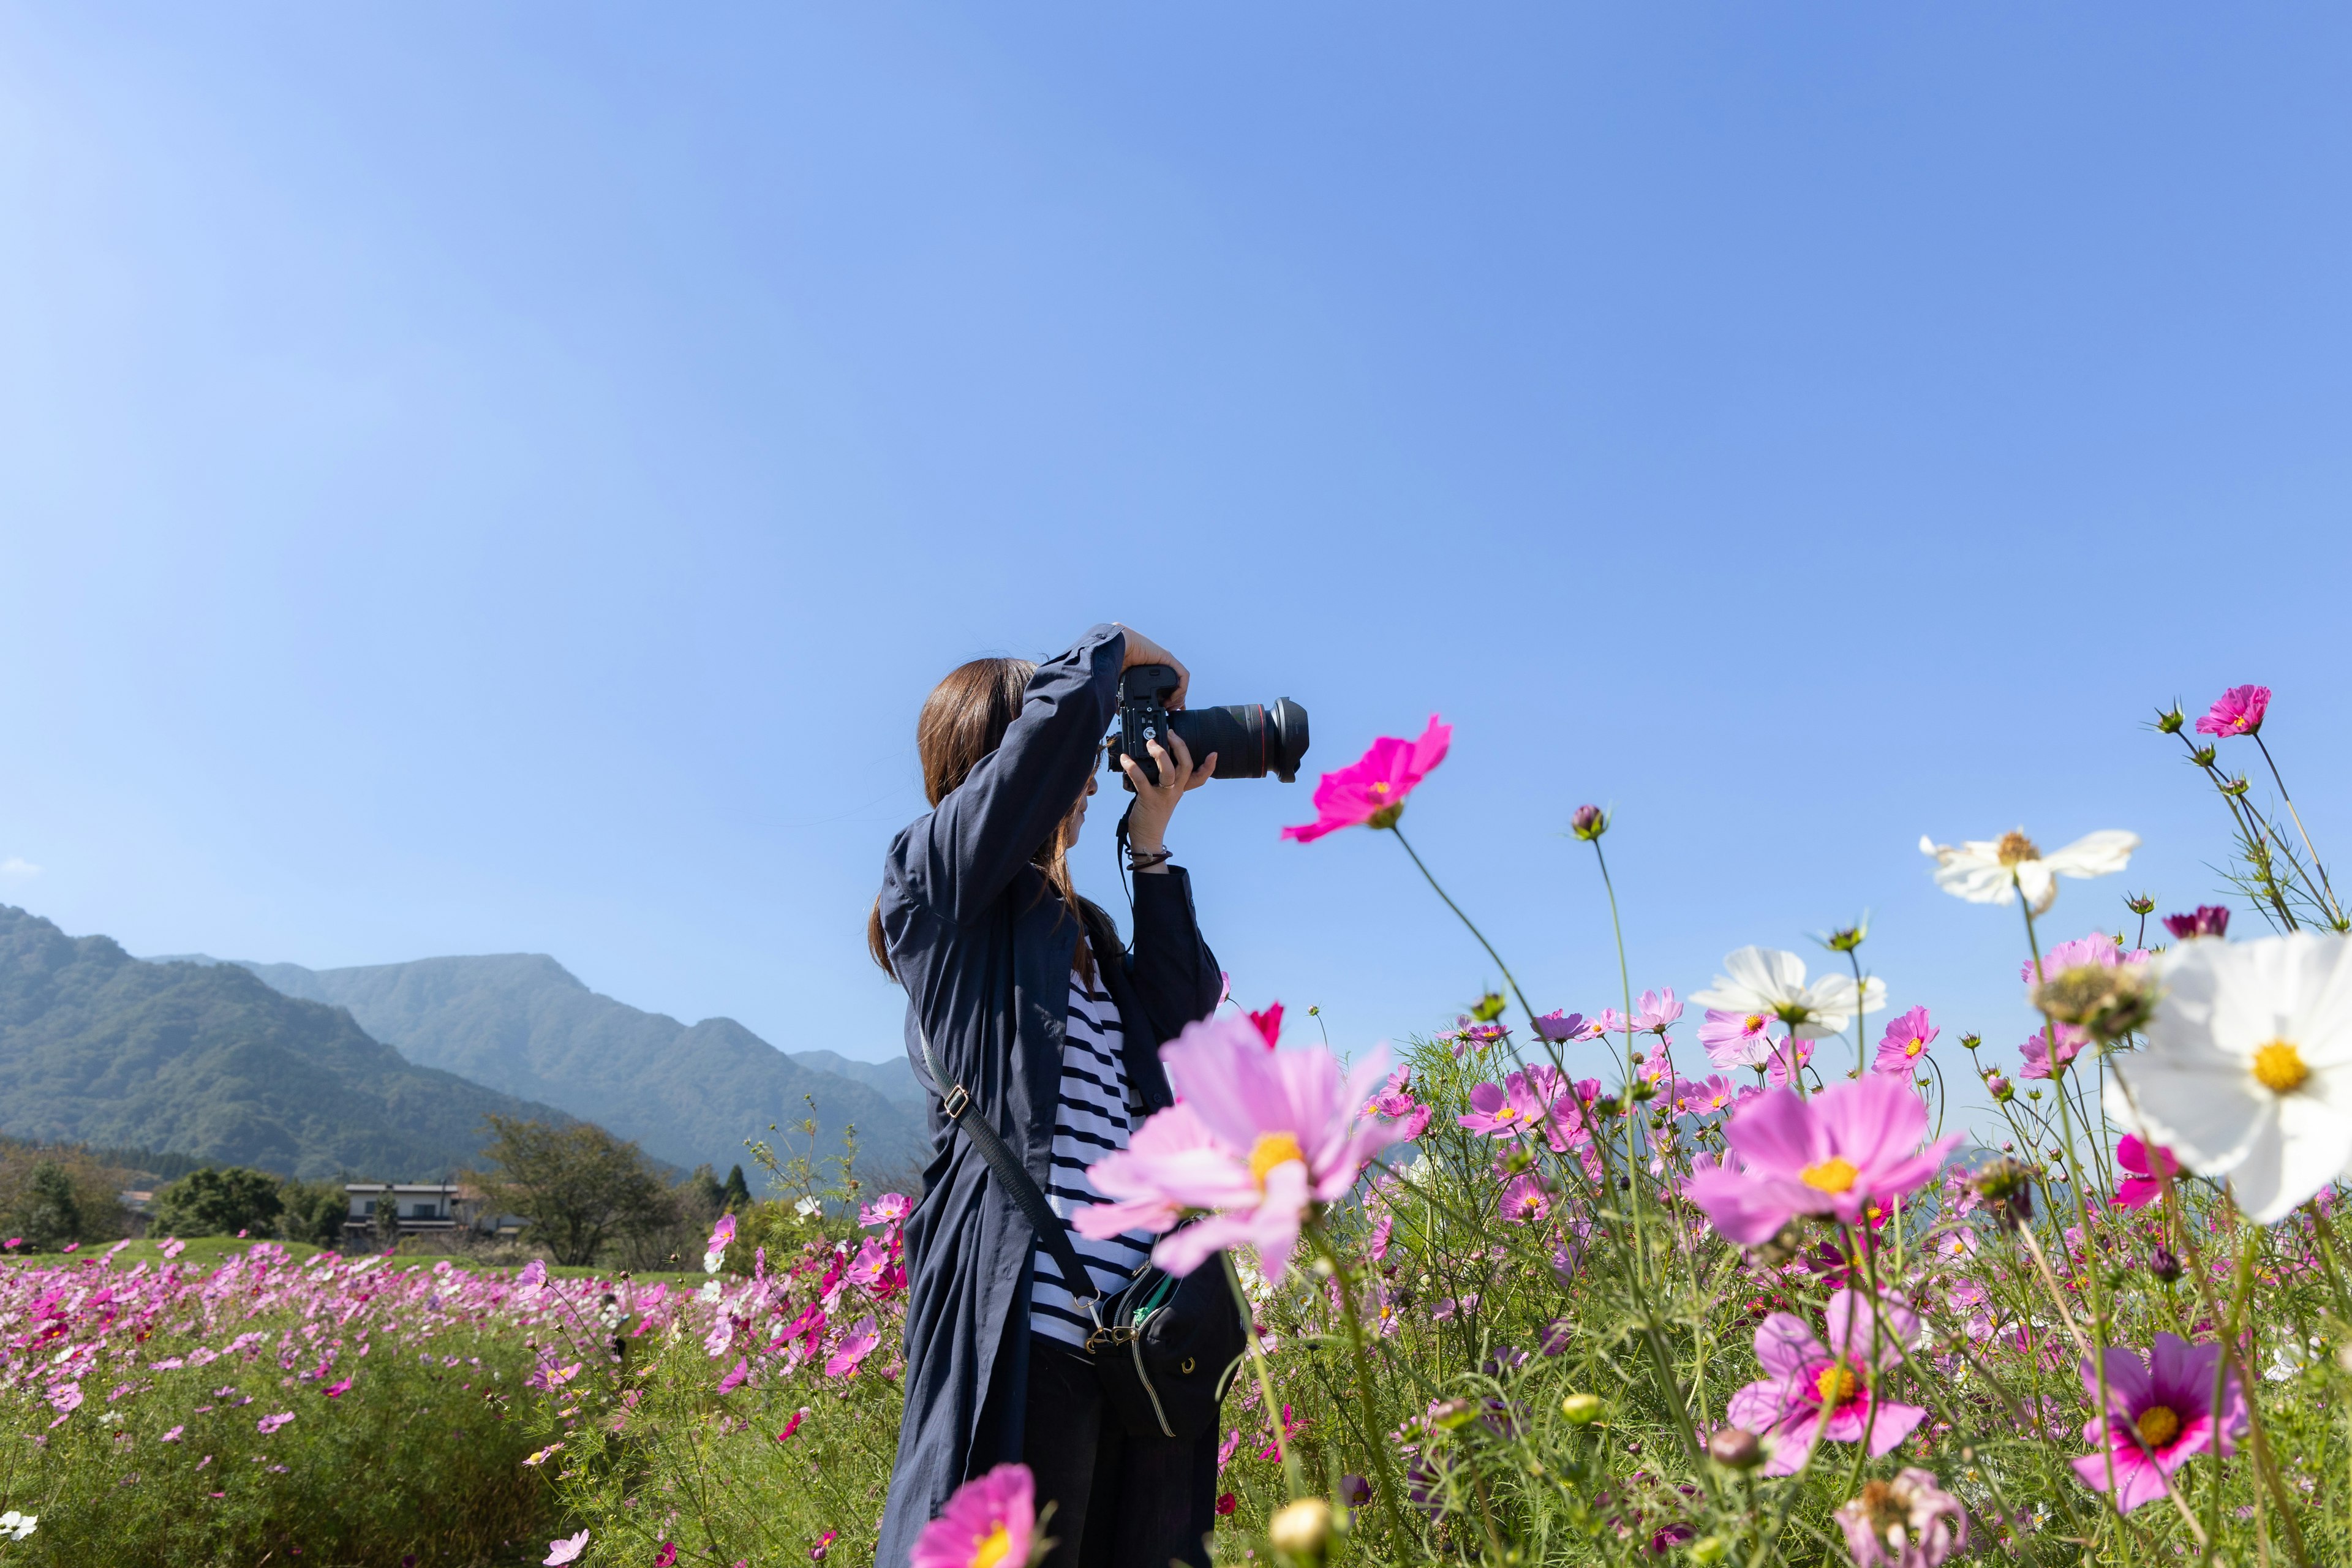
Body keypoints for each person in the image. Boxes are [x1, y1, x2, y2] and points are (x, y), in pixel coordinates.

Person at [869, 624, 1226, 1568]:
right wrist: (1110, 649)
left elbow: (1182, 1014)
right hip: (1025, 1320)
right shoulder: (936, 891)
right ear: (1001, 758)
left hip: (1139, 1338)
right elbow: (1048, 745)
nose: (1086, 769)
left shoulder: (1088, 940)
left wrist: (1150, 848)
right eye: (1054, 746)